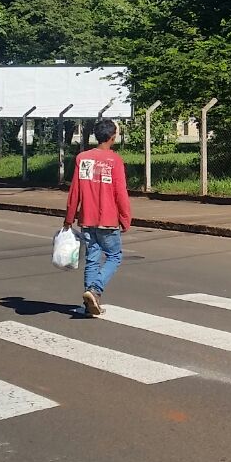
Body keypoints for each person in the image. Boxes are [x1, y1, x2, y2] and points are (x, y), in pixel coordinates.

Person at [64, 119, 132, 317]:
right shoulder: (115, 160)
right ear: (113, 137)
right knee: (114, 256)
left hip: (87, 219)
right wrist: (125, 217)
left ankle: (89, 304)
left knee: (92, 259)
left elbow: (75, 191)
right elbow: (120, 192)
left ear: (96, 136)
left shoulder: (83, 158)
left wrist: (69, 217)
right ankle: (95, 290)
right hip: (109, 219)